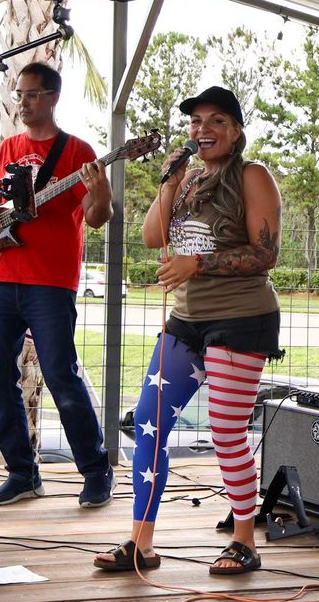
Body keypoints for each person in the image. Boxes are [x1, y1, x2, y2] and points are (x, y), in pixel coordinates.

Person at [93, 85, 283, 575]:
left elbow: (265, 255)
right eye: (197, 121)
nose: (204, 129)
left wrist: (197, 262)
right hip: (185, 321)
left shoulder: (252, 175)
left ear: (236, 130)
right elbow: (153, 237)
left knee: (225, 431)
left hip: (240, 320)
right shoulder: (189, 181)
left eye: (217, 120)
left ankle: (244, 540)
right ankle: (142, 544)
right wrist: (169, 183)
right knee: (148, 426)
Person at [0, 61, 115, 507]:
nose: (23, 102)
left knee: (60, 375)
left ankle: (95, 470)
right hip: (5, 277)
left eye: (32, 94)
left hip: (51, 282)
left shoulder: (78, 152)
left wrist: (102, 193)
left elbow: (96, 217)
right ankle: (22, 473)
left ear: (52, 97)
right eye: (19, 94)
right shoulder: (8, 147)